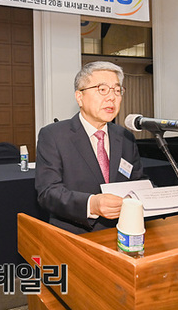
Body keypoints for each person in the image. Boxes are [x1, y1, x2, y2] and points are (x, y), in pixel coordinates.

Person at [35, 61, 144, 234]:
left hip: (124, 231)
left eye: (117, 90)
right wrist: (91, 205)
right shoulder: (54, 135)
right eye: (102, 89)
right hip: (75, 234)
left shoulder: (125, 137)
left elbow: (138, 181)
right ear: (79, 97)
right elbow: (48, 193)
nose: (112, 97)